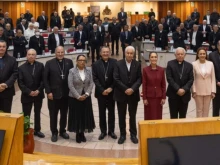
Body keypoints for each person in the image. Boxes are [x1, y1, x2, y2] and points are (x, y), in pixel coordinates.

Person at [44, 46, 73, 142]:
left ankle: (62, 131)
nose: (60, 54)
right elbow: (45, 79)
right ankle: (54, 132)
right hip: (53, 94)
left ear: (64, 53)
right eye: (58, 52)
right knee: (53, 114)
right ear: (55, 53)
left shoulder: (69, 62)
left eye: (62, 52)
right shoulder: (49, 63)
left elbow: (72, 77)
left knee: (64, 113)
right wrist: (48, 92)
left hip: (66, 94)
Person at [113, 46, 142, 144]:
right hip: (121, 93)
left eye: (131, 53)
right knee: (121, 115)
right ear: (125, 53)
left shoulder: (137, 64)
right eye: (128, 53)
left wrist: (132, 89)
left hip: (133, 94)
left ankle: (133, 134)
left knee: (132, 115)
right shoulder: (118, 64)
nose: (129, 55)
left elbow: (139, 79)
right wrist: (125, 89)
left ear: (133, 54)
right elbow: (116, 78)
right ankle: (122, 135)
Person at [18, 49, 45, 138]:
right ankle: (26, 131)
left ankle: (37, 130)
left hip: (38, 94)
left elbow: (43, 80)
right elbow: (20, 83)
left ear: (36, 56)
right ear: (26, 55)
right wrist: (29, 92)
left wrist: (38, 90)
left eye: (33, 54)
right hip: (26, 95)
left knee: (37, 113)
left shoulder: (40, 66)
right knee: (26, 114)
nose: (31, 56)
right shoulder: (21, 68)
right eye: (29, 54)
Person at [68, 54, 95, 143]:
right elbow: (70, 85)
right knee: (77, 115)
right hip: (75, 97)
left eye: (84, 60)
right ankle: (77, 133)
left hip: (86, 96)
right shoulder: (72, 71)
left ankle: (82, 133)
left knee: (84, 115)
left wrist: (87, 94)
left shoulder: (89, 70)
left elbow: (91, 83)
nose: (82, 62)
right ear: (77, 61)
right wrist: (78, 96)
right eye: (80, 60)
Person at [92, 46, 117, 140]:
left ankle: (111, 131)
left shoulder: (114, 62)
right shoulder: (95, 64)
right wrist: (102, 90)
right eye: (104, 52)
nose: (106, 53)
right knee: (102, 112)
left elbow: (116, 77)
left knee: (111, 112)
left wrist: (111, 88)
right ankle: (103, 131)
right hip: (100, 93)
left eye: (107, 52)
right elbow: (95, 78)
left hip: (111, 92)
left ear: (110, 53)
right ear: (100, 53)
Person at [166, 47, 194, 119]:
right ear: (175, 55)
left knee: (183, 116)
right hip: (173, 94)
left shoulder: (189, 65)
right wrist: (178, 89)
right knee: (173, 116)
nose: (180, 55)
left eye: (182, 54)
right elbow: (169, 78)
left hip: (185, 95)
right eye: (178, 54)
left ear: (185, 55)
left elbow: (191, 79)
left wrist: (184, 89)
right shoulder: (170, 64)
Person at [192, 48, 216, 117]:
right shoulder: (194, 64)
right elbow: (192, 79)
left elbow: (213, 78)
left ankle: (205, 125)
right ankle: (199, 125)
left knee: (206, 110)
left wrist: (213, 91)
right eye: (200, 54)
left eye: (204, 54)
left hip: (208, 91)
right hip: (198, 91)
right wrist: (193, 91)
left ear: (206, 55)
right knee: (199, 110)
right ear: (198, 55)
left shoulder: (210, 64)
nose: (202, 55)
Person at [142, 52, 166, 120]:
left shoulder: (161, 70)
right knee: (149, 116)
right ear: (149, 58)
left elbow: (163, 85)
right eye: (152, 57)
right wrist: (144, 98)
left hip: (158, 97)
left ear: (157, 58)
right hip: (149, 97)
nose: (154, 58)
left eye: (155, 57)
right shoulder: (145, 70)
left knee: (158, 116)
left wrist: (163, 97)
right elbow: (144, 85)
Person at [0, 40, 18, 113]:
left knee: (6, 114)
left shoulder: (12, 59)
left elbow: (15, 73)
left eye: (3, 46)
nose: (1, 48)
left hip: (7, 91)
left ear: (6, 47)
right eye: (0, 46)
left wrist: (6, 84)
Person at [209, 41, 220, 116]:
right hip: (216, 85)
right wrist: (216, 81)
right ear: (217, 46)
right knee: (216, 107)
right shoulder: (212, 55)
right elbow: (210, 70)